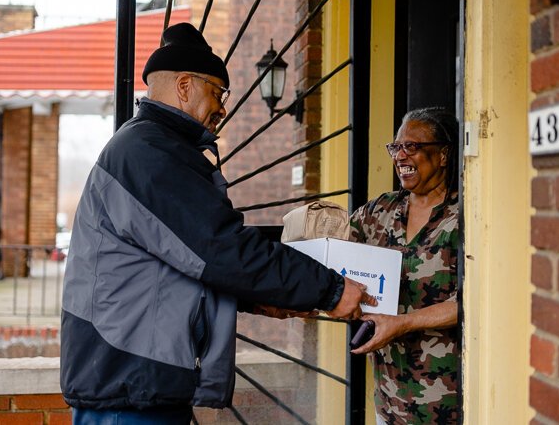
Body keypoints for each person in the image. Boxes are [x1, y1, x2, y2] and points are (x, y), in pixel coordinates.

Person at [60, 22, 375, 424]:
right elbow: (219, 248)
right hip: (128, 390)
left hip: (134, 383)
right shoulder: (147, 153)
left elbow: (179, 264)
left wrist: (262, 298)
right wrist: (330, 289)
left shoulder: (151, 147)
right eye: (217, 92)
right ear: (185, 86)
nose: (222, 108)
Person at [349, 107, 460, 424]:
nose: (399, 155)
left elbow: (474, 301)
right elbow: (335, 250)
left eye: (411, 146)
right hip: (389, 402)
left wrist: (403, 322)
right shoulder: (381, 210)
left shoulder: (464, 216)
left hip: (445, 406)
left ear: (442, 155)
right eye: (395, 147)